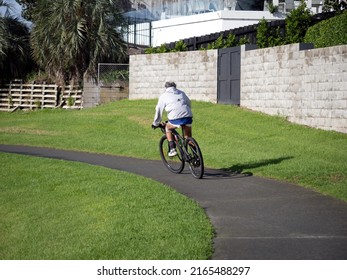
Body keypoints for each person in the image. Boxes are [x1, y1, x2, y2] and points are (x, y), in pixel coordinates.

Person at [152, 82, 193, 157]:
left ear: (166, 87)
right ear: (175, 86)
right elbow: (188, 103)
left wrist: (156, 123)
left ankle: (172, 149)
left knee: (167, 127)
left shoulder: (164, 96)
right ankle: (195, 154)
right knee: (188, 137)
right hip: (188, 116)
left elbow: (158, 110)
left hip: (175, 118)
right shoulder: (181, 93)